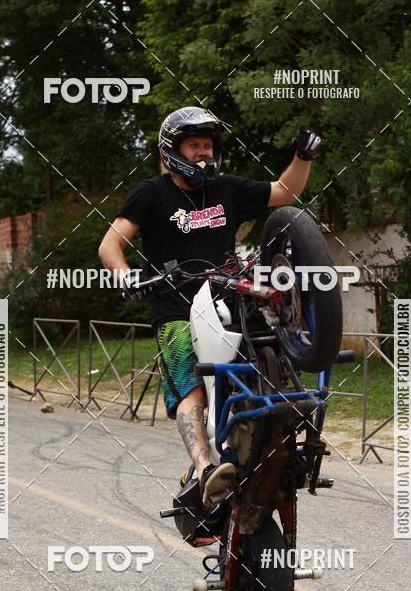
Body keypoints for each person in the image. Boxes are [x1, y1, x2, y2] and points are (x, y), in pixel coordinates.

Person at [98, 106, 320, 506]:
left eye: (208, 145)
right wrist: (125, 276)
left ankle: (291, 436)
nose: (203, 152)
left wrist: (302, 156)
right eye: (193, 145)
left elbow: (284, 194)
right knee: (190, 381)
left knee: (275, 353)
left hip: (229, 299)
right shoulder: (152, 193)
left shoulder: (227, 189)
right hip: (176, 309)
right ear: (173, 150)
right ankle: (205, 467)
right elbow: (110, 244)